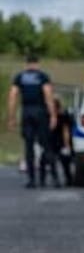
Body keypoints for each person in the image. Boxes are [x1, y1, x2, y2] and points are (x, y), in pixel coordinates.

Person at [6, 54, 56, 189]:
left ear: (26, 64)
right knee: (46, 145)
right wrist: (53, 115)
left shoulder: (20, 77)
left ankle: (32, 180)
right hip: (41, 112)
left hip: (26, 112)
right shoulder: (42, 76)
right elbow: (48, 95)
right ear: (37, 63)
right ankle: (53, 178)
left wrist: (11, 117)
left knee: (29, 147)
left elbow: (12, 97)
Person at [46, 97, 73, 185]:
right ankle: (55, 178)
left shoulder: (63, 116)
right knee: (51, 159)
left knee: (65, 160)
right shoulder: (46, 117)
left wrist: (67, 145)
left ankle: (68, 178)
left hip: (62, 142)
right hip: (50, 142)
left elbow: (66, 131)